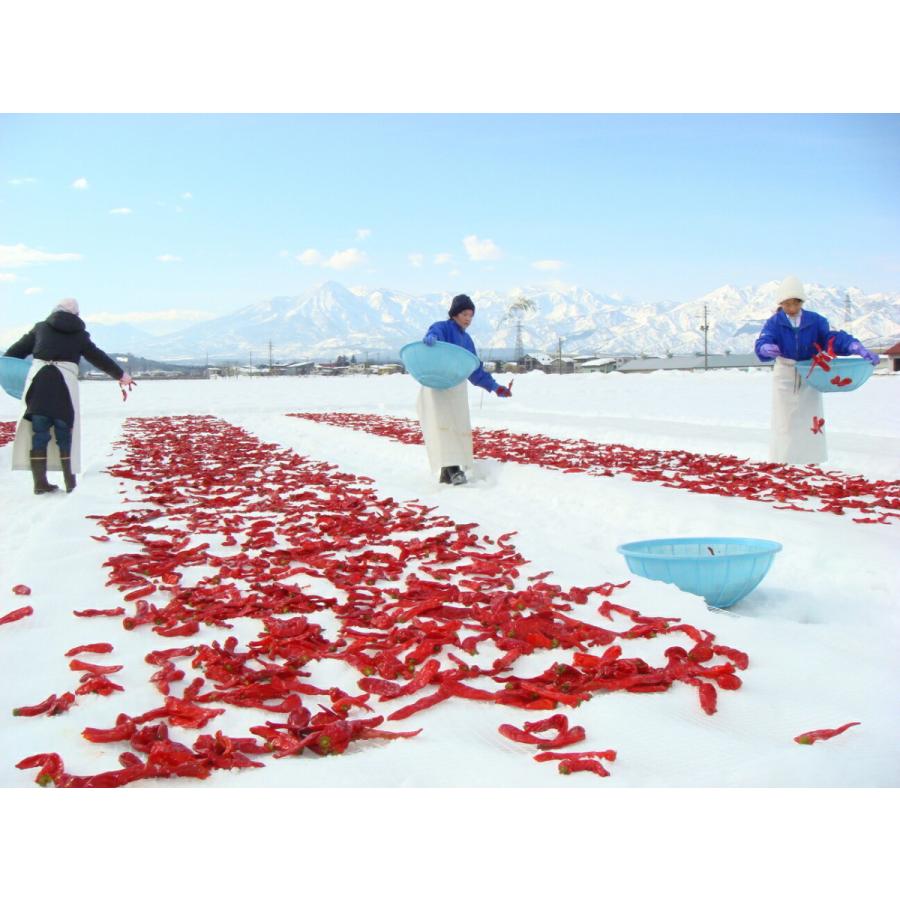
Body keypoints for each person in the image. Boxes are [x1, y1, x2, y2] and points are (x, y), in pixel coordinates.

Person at [4, 298, 134, 494]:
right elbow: (98, 357)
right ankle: (70, 483)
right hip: (64, 386)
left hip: (38, 385)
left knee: (39, 433)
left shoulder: (40, 328)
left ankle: (40, 483)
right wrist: (121, 375)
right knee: (65, 432)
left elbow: (13, 354)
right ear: (76, 315)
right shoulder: (79, 335)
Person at [754, 275, 878, 464]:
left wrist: (853, 345)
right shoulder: (774, 322)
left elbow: (831, 338)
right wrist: (764, 348)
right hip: (785, 373)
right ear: (781, 304)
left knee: (810, 418)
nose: (792, 308)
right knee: (784, 419)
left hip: (810, 371)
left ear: (802, 302)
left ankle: (811, 460)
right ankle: (783, 459)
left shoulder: (815, 320)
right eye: (787, 304)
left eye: (795, 303)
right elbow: (765, 338)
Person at [418, 294, 511, 485]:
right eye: (464, 314)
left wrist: (494, 387)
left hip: (456, 387)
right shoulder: (442, 328)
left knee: (457, 425)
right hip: (437, 386)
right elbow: (435, 333)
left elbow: (475, 368)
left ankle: (447, 471)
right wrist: (431, 338)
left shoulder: (467, 340)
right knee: (443, 424)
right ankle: (453, 469)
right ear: (454, 314)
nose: (468, 319)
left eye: (471, 315)